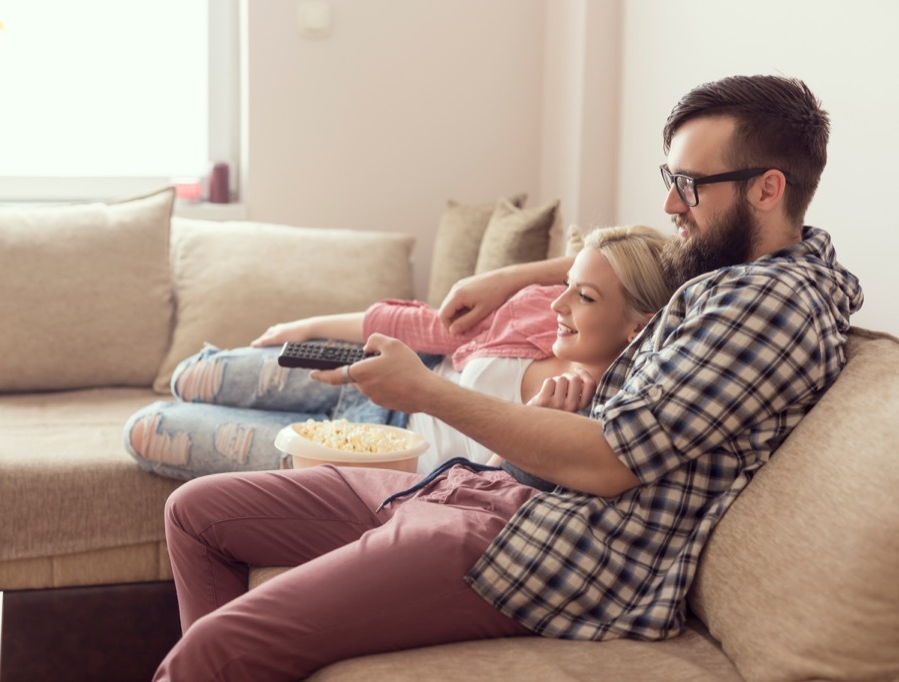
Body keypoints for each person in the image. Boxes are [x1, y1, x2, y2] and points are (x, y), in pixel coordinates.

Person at [152, 75, 863, 681]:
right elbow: (626, 253)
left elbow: (612, 463)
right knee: (199, 514)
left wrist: (427, 392)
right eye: (668, 180)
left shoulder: (769, 304)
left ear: (768, 189)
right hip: (498, 492)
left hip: (553, 550)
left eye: (689, 185)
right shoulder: (731, 268)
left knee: (213, 650)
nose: (673, 204)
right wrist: (509, 277)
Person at [125, 225, 672, 478]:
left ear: (637, 327)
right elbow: (430, 328)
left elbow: (479, 501)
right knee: (196, 373)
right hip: (377, 377)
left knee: (149, 428)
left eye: (585, 296)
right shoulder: (538, 309)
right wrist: (309, 325)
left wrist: (531, 428)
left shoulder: (596, 413)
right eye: (567, 285)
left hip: (379, 457)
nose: (560, 305)